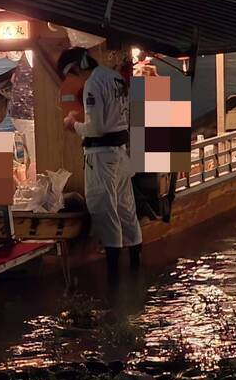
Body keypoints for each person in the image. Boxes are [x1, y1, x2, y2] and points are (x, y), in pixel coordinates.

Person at [57, 47, 143, 282]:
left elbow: (96, 128)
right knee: (126, 208)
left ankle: (113, 277)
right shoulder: (114, 77)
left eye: (73, 73)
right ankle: (136, 267)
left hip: (101, 155)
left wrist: (73, 124)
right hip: (121, 152)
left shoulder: (93, 84)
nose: (76, 78)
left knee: (104, 209)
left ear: (77, 67)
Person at [9, 52, 36, 182]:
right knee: (36, 160)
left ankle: (28, 187)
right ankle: (34, 187)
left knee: (30, 157)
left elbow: (12, 79)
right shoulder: (34, 56)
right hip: (27, 114)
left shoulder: (25, 58)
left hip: (18, 114)